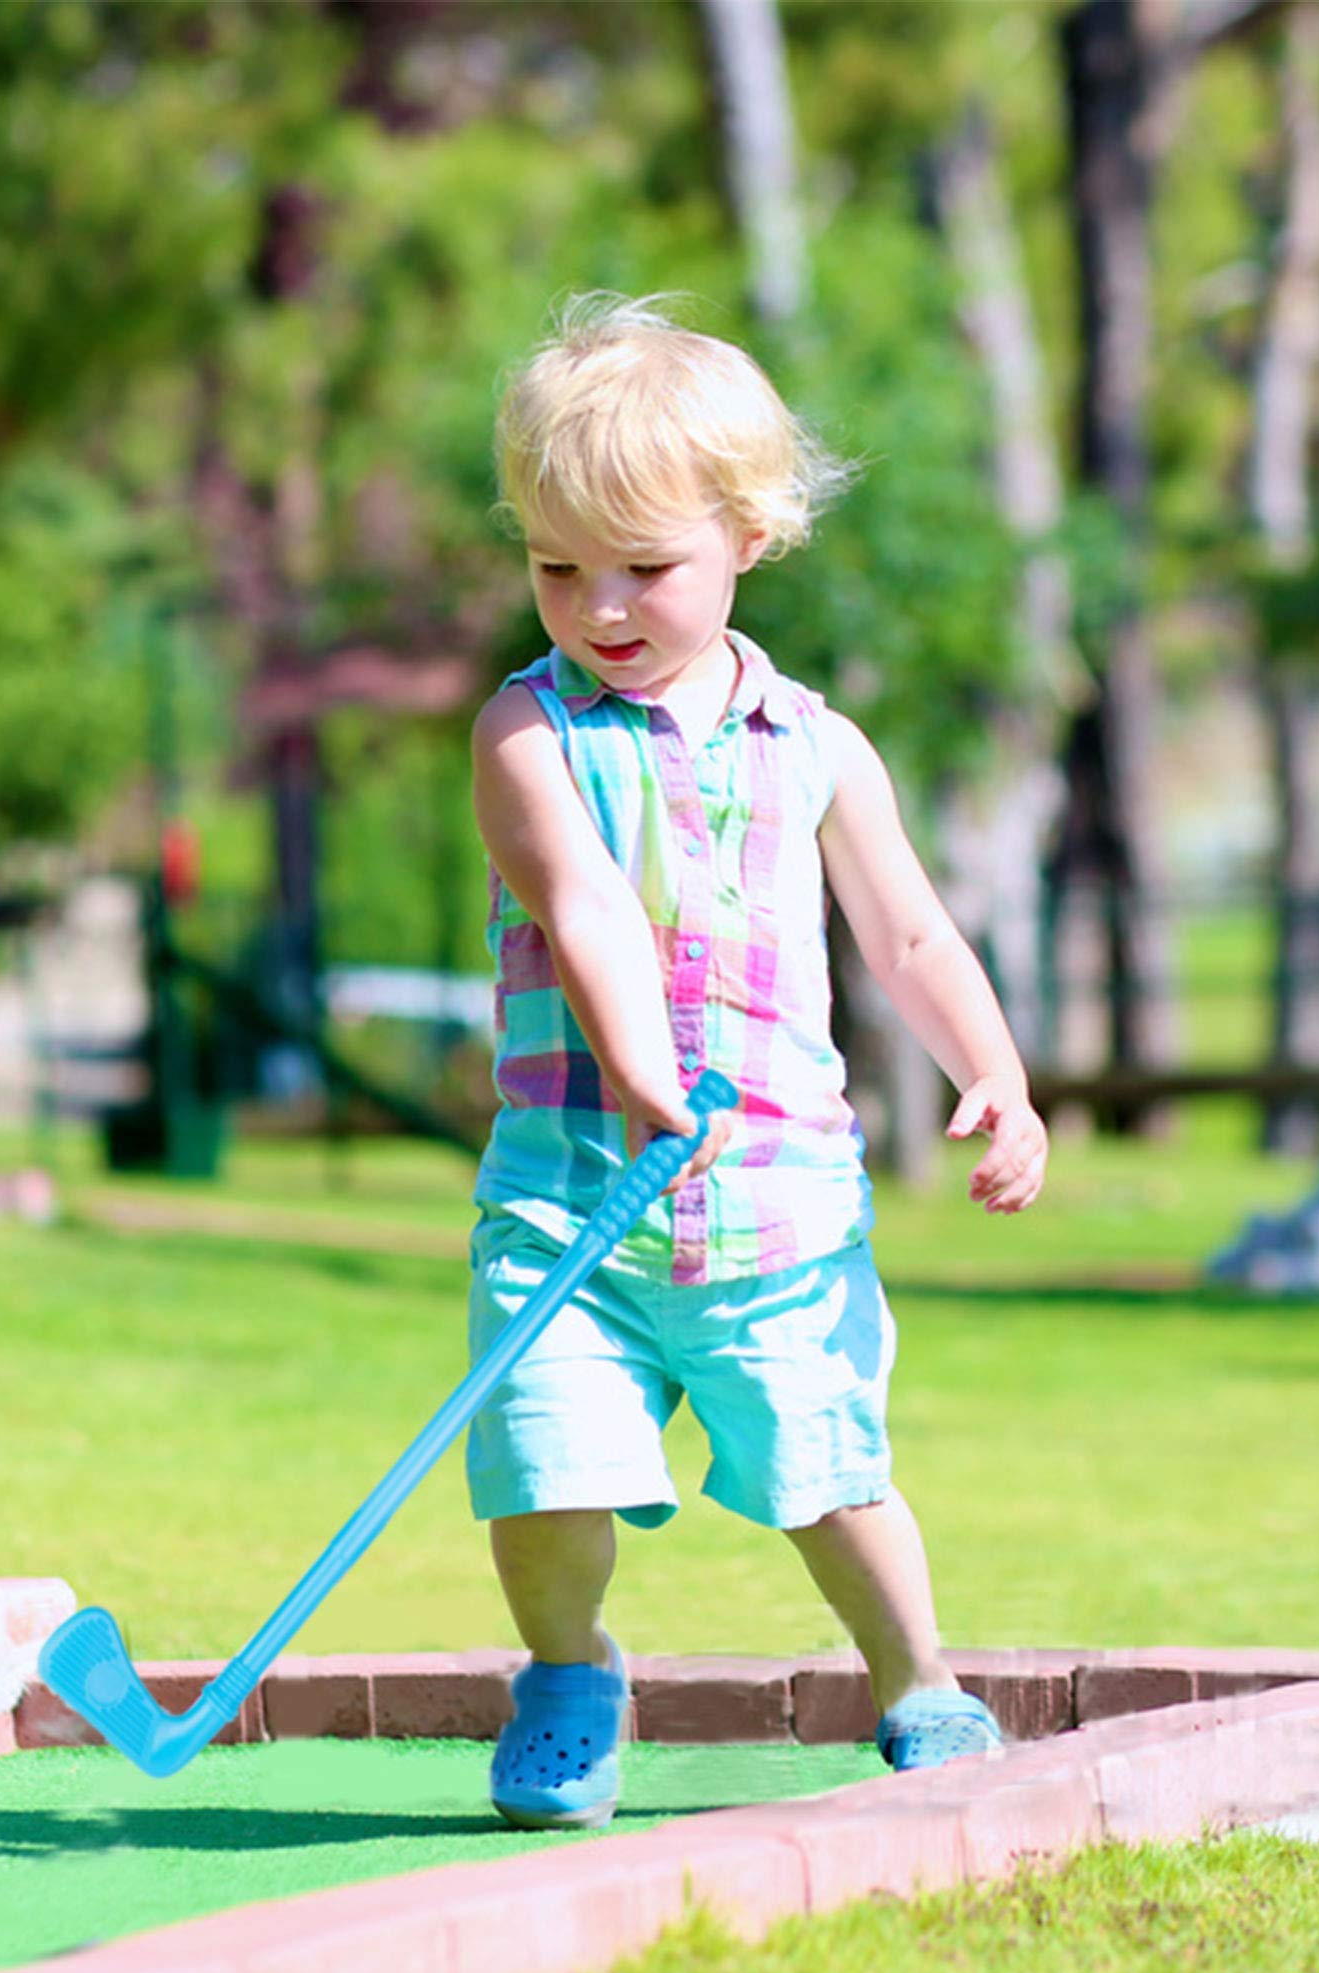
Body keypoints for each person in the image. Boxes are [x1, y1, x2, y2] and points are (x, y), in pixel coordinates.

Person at [463, 295, 1049, 1831]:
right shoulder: (525, 735)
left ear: (747, 533)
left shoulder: (818, 745)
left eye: (644, 568)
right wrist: (643, 1069)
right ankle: (573, 1673)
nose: (598, 605)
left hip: (779, 1216)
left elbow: (911, 937)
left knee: (831, 1477)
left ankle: (919, 1683)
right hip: (570, 1208)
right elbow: (583, 903)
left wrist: (996, 1072)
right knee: (544, 1481)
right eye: (556, 568)